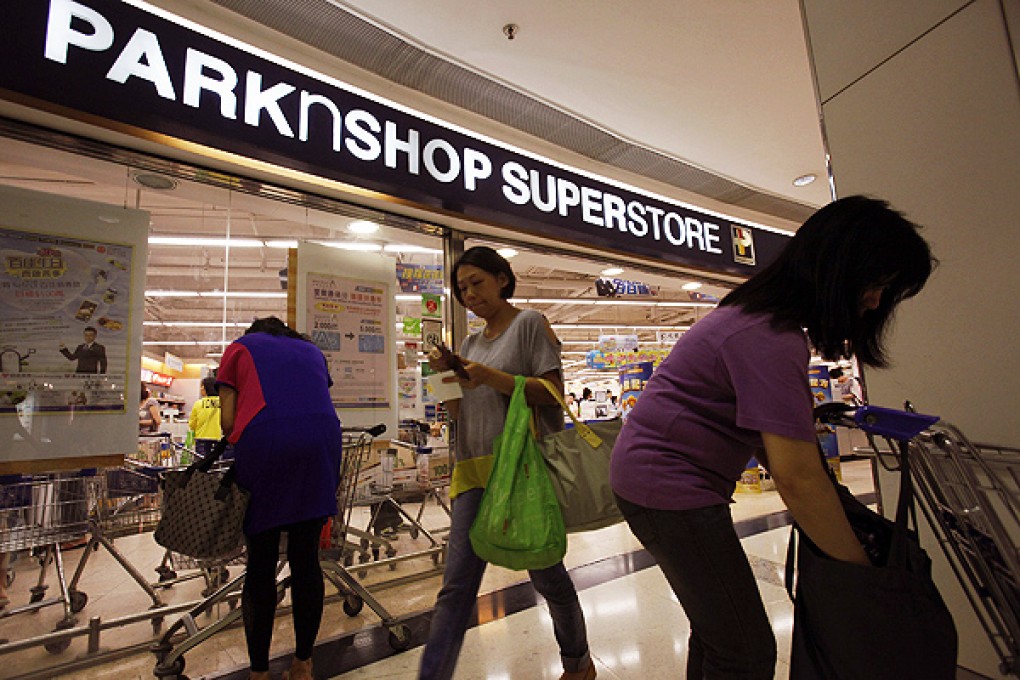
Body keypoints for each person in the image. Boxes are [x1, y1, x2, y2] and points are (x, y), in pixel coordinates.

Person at [609, 195, 935, 679]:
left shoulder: (755, 322)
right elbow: (796, 477)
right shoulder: (768, 337)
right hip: (667, 487)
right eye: (876, 285)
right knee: (745, 652)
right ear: (838, 270)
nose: (874, 302)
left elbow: (774, 447)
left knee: (720, 633)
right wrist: (862, 575)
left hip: (655, 479)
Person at [419, 246, 596, 680]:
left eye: (477, 283)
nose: (469, 295)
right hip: (473, 472)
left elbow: (552, 393)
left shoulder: (529, 324)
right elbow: (460, 414)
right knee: (456, 588)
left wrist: (488, 376)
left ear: (502, 279)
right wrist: (443, 377)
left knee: (548, 577)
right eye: (462, 288)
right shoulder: (469, 343)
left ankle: (578, 663)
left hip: (522, 470)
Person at [217, 317, 342, 680]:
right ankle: (303, 665)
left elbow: (228, 421)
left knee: (261, 562)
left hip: (267, 446)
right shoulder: (312, 351)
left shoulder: (240, 348)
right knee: (306, 560)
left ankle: (259, 672)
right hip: (321, 448)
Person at [188, 376, 222, 459]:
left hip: (202, 438)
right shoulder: (224, 402)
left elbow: (192, 424)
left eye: (202, 386)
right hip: (220, 438)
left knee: (202, 463)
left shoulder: (198, 404)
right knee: (218, 464)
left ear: (205, 388)